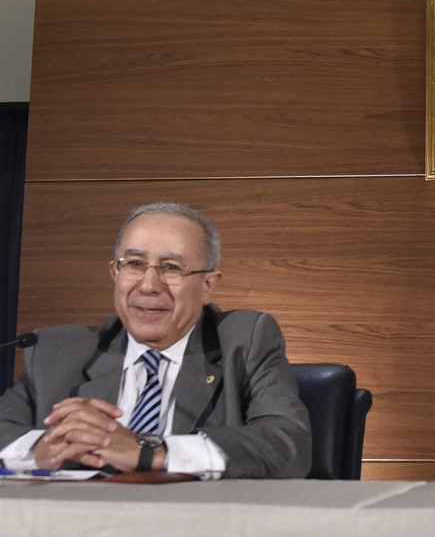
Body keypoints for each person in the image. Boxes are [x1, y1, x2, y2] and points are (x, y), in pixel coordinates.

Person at [0, 203, 311, 479]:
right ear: (114, 274)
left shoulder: (243, 341)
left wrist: (150, 451)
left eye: (171, 268)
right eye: (134, 264)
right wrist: (41, 449)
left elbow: (288, 445)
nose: (148, 285)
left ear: (207, 285)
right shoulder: (59, 351)